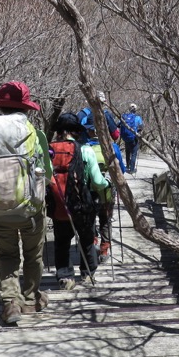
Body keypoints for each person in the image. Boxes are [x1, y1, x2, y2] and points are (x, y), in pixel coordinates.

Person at [0, 81, 52, 324]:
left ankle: (10, 303)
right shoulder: (34, 133)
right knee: (33, 255)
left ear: (0, 108)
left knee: (7, 254)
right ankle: (30, 300)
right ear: (26, 109)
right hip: (30, 209)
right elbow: (47, 173)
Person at [48, 113, 110, 288]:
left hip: (58, 203)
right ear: (75, 132)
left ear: (59, 131)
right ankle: (87, 273)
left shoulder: (49, 150)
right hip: (82, 203)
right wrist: (107, 184)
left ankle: (65, 277)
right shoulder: (85, 150)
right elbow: (98, 182)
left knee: (62, 241)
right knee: (86, 238)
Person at [83, 113, 124, 263]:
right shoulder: (112, 147)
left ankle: (93, 242)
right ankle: (104, 249)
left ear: (88, 131)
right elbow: (121, 171)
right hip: (107, 191)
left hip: (88, 191)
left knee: (90, 219)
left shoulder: (83, 148)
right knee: (106, 219)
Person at [119, 103, 144, 174]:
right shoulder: (137, 117)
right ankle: (132, 169)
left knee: (127, 151)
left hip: (126, 138)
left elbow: (118, 125)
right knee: (134, 153)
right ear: (135, 110)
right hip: (134, 137)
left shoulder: (125, 117)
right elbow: (141, 127)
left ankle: (127, 166)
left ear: (129, 109)